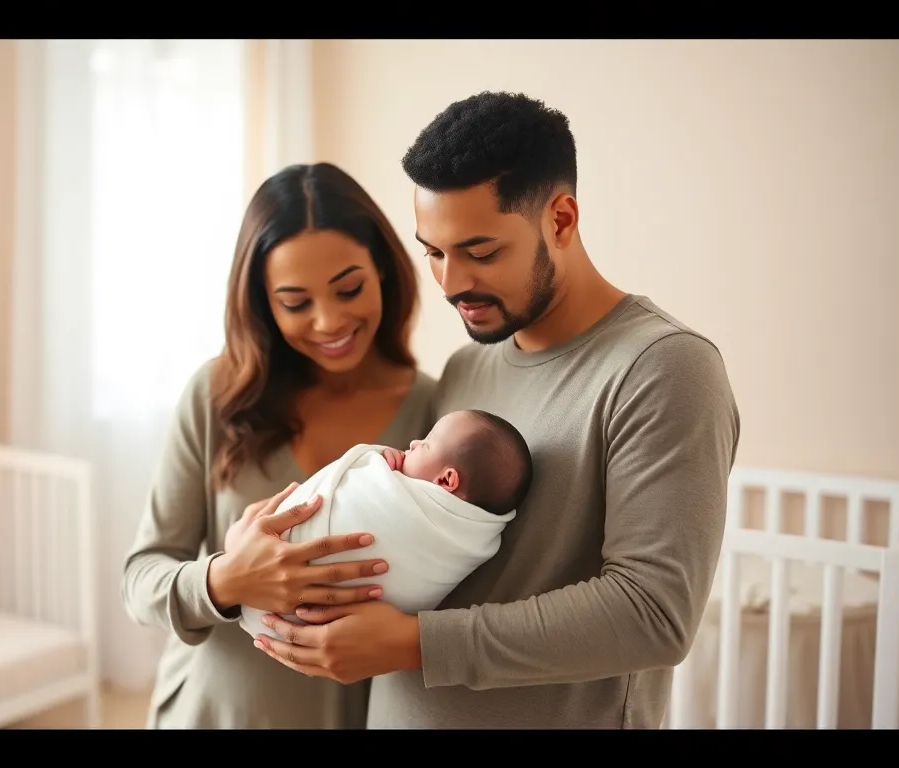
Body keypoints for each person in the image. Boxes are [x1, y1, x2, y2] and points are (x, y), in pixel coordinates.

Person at [250, 92, 741, 729]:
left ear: (561, 219)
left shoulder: (664, 368)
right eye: (433, 251)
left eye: (480, 252)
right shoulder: (466, 369)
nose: (451, 282)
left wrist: (410, 643)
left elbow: (653, 614)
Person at [121, 162, 437, 729]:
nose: (328, 320)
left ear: (384, 272)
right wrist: (226, 581)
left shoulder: (435, 416)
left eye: (349, 289)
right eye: (295, 302)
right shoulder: (216, 396)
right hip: (215, 711)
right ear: (263, 303)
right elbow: (142, 577)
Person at [240, 408, 533, 643]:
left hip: (266, 591)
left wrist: (374, 461)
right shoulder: (478, 539)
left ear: (446, 480)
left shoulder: (394, 490)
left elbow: (358, 479)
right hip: (274, 608)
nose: (413, 444)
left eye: (425, 444)